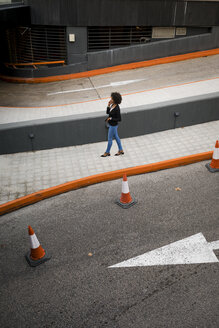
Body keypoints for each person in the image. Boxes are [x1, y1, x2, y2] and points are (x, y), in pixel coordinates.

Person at [101, 92, 124, 157]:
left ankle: (107, 152)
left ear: (115, 99)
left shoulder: (117, 108)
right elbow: (107, 112)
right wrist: (108, 105)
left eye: (112, 98)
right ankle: (121, 149)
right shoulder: (112, 105)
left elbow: (119, 119)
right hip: (112, 124)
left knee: (110, 139)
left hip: (113, 125)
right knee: (116, 137)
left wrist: (111, 118)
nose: (110, 99)